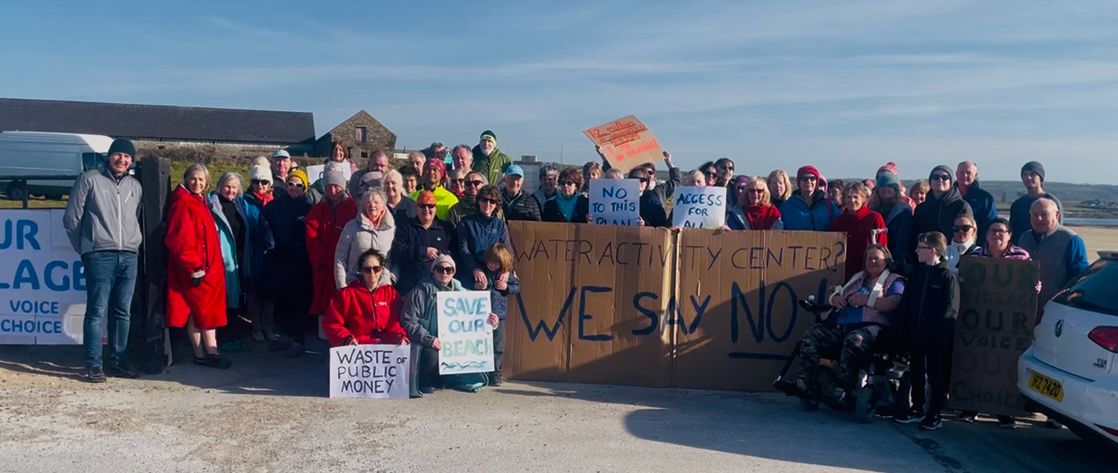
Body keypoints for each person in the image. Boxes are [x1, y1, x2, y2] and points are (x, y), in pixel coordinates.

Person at [62, 138, 143, 382]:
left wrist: (132, 244)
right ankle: (93, 364)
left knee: (123, 312)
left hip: (129, 255)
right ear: (109, 156)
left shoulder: (135, 186)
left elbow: (135, 217)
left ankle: (118, 361)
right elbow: (71, 219)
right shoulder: (90, 179)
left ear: (131, 160)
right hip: (99, 255)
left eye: (127, 156)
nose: (122, 159)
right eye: (118, 154)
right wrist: (86, 249)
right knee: (97, 311)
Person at [794, 245, 904, 403]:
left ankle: (844, 386)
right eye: (869, 258)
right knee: (813, 334)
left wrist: (867, 300)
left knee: (854, 340)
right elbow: (837, 291)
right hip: (842, 324)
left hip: (870, 329)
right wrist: (836, 298)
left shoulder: (894, 280)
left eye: (876, 258)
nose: (872, 261)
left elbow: (895, 301)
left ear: (886, 260)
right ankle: (805, 382)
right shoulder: (858, 278)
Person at [960, 217, 1031, 428]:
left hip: (1008, 323)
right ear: (985, 234)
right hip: (979, 320)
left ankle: (1003, 411)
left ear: (1010, 235)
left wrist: (1034, 287)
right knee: (975, 362)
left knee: (1005, 364)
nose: (997, 234)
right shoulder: (974, 256)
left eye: (1001, 231)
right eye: (993, 230)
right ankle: (970, 406)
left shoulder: (1022, 256)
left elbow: (1029, 285)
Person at [400, 255, 499, 396]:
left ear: (454, 272)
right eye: (440, 269)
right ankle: (426, 380)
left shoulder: (461, 292)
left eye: (449, 269)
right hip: (429, 342)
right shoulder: (421, 291)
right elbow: (407, 320)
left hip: (454, 344)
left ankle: (451, 379)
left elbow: (475, 316)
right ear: (433, 271)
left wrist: (490, 322)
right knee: (430, 356)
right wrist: (429, 339)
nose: (444, 273)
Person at [165, 163, 230, 369]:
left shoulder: (198, 202)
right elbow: (180, 239)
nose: (197, 182)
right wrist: (194, 266)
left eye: (201, 179)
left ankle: (202, 352)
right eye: (193, 178)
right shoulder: (184, 204)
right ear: (185, 179)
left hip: (207, 268)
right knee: (202, 310)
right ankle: (209, 351)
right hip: (197, 269)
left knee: (200, 311)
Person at [895, 232, 959, 431]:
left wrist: (940, 338)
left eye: (920, 248)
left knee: (935, 375)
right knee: (916, 370)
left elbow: (950, 310)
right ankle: (918, 406)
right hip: (916, 334)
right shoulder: (918, 274)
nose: (916, 252)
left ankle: (935, 414)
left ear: (932, 251)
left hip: (935, 339)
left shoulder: (947, 277)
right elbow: (907, 303)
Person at [261, 169, 315, 358]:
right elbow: (264, 223)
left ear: (305, 188)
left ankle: (298, 340)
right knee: (280, 301)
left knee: (299, 302)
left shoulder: (309, 207)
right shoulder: (275, 205)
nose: (294, 188)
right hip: (278, 260)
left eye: (299, 185)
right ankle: (282, 337)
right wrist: (269, 241)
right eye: (290, 184)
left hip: (300, 263)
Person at [208, 172, 262, 353]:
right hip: (222, 257)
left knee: (236, 298)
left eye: (234, 187)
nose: (230, 190)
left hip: (239, 257)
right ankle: (223, 338)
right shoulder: (213, 205)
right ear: (220, 186)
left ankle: (233, 334)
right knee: (222, 299)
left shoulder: (238, 205)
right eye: (227, 186)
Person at [322, 249, 409, 347]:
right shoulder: (346, 294)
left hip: (386, 346)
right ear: (360, 270)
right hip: (358, 347)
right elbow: (332, 323)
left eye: (376, 269)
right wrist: (347, 339)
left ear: (381, 270)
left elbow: (396, 322)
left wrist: (400, 337)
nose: (372, 273)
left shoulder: (390, 293)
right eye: (367, 269)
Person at [305, 169, 358, 322]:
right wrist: (320, 259)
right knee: (324, 302)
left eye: (336, 186)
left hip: (345, 264)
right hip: (324, 266)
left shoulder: (352, 208)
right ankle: (323, 336)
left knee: (344, 301)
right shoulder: (319, 209)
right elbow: (311, 233)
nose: (333, 191)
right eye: (329, 187)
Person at [1018, 198, 1089, 304]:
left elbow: (1079, 278)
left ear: (1057, 215)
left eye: (1044, 214)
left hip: (1055, 307)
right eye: (1035, 214)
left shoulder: (1071, 240)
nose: (1039, 218)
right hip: (1024, 305)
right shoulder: (1024, 238)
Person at [392, 191, 456, 294]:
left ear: (436, 208)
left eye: (430, 206)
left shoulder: (445, 228)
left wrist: (439, 254)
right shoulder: (406, 227)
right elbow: (397, 250)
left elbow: (454, 251)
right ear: (416, 208)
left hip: (440, 288)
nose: (426, 209)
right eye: (422, 206)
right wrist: (424, 251)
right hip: (411, 287)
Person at [335, 188, 397, 290]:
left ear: (383, 206)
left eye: (376, 202)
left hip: (382, 286)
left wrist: (391, 278)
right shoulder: (351, 226)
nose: (372, 205)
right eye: (368, 202)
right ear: (363, 205)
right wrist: (342, 286)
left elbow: (397, 257)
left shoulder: (392, 229)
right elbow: (340, 258)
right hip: (354, 284)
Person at [477, 243, 521, 386]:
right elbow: (470, 284)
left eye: (496, 263)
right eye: (490, 262)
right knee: (481, 343)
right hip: (481, 313)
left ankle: (496, 374)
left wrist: (507, 287)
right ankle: (481, 372)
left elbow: (517, 287)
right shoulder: (481, 270)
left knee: (498, 345)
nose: (492, 265)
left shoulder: (506, 274)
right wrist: (477, 287)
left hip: (499, 314)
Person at [244, 159, 276, 341]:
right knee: (253, 292)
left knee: (270, 293)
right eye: (256, 181)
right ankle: (256, 327)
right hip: (253, 251)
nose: (260, 185)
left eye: (264, 182)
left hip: (271, 254)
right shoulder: (245, 202)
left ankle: (268, 326)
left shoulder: (274, 202)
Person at [457, 185, 513, 288]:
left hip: (494, 276)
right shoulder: (466, 223)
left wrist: (506, 270)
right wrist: (475, 268)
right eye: (484, 200)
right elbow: (463, 249)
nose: (488, 204)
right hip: (471, 275)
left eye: (492, 201)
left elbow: (508, 250)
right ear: (478, 201)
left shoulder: (500, 225)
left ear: (496, 205)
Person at [833, 182, 888, 279]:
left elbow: (882, 248)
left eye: (856, 197)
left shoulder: (874, 218)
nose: (852, 200)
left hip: (868, 273)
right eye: (848, 197)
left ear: (863, 199)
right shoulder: (839, 222)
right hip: (844, 273)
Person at [913, 165, 973, 244]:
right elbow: (915, 235)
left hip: (954, 253)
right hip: (925, 253)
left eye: (945, 177)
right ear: (930, 181)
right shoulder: (921, 208)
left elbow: (967, 235)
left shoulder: (961, 206)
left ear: (950, 182)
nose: (940, 180)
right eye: (935, 177)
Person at [1010, 161, 1063, 244]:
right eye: (1025, 175)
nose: (1029, 178)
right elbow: (1013, 232)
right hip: (1022, 250)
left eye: (1032, 174)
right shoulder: (1017, 205)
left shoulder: (1052, 202)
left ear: (1040, 177)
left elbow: (1058, 230)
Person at [873, 171, 915, 275]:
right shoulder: (873, 210)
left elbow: (903, 240)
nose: (885, 189)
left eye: (889, 186)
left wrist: (895, 263)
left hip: (895, 260)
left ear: (896, 189)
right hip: (875, 259)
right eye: (882, 186)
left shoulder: (904, 211)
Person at [780, 165, 839, 231]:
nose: (808, 181)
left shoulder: (828, 205)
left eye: (812, 178)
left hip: (823, 241)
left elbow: (840, 225)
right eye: (804, 179)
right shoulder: (788, 206)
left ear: (816, 182)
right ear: (799, 182)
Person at [955, 161, 997, 239]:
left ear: (975, 175)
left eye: (968, 172)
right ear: (956, 174)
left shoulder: (985, 199)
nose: (964, 175)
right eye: (961, 172)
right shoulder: (948, 197)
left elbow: (990, 226)